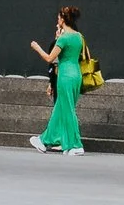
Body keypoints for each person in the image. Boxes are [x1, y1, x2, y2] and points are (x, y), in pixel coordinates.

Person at [29, 8, 86, 156]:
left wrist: (37, 48)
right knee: (61, 109)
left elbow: (49, 58)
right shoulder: (79, 36)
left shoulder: (64, 38)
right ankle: (44, 140)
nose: (57, 21)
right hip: (76, 75)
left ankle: (75, 144)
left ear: (62, 20)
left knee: (67, 110)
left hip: (65, 75)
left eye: (58, 19)